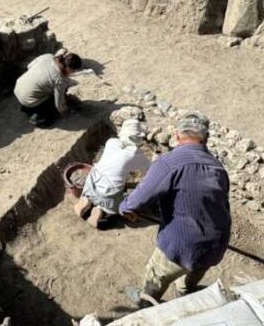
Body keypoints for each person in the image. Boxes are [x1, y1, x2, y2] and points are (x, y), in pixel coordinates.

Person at [120, 111, 231, 306]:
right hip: (217, 243)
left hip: (181, 244)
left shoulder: (168, 163)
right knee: (194, 270)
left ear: (178, 135)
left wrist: (124, 207)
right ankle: (185, 291)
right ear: (205, 138)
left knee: (156, 275)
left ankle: (146, 301)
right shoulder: (218, 168)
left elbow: (137, 201)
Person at [75, 117, 151, 229]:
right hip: (108, 194)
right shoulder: (136, 154)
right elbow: (150, 171)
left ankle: (87, 200)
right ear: (138, 138)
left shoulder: (111, 142)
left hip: (92, 182)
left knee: (105, 179)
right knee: (119, 204)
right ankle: (103, 211)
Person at [13, 49, 82, 128]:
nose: (73, 73)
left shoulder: (48, 56)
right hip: (29, 100)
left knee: (48, 89)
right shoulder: (60, 79)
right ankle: (37, 116)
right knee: (50, 116)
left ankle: (27, 107)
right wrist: (65, 112)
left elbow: (29, 66)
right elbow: (59, 104)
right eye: (74, 71)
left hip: (18, 87)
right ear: (69, 69)